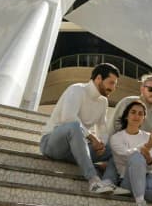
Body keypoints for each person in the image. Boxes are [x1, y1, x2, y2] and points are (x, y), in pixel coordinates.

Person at [39, 63, 125, 194]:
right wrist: (92, 137)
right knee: (74, 126)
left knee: (116, 146)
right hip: (52, 144)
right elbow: (68, 118)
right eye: (110, 83)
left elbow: (102, 126)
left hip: (76, 150)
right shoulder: (77, 89)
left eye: (114, 84)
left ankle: (108, 182)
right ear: (98, 79)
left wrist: (102, 143)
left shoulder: (103, 102)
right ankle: (94, 181)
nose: (113, 88)